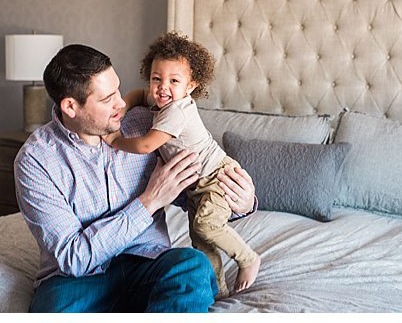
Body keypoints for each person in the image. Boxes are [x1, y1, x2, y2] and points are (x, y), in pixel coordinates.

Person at [16, 43, 258, 312]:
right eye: (107, 99)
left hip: (148, 263)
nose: (121, 103)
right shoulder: (36, 160)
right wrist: (149, 202)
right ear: (70, 107)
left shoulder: (148, 125)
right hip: (79, 280)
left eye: (118, 90)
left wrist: (243, 203)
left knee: (193, 267)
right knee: (52, 310)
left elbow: (194, 192)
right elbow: (74, 258)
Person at [107, 32, 260, 295]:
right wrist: (124, 106)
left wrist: (114, 140)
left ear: (191, 86)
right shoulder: (162, 100)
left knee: (205, 226)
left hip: (216, 177)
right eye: (156, 78)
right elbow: (140, 94)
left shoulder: (177, 111)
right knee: (200, 241)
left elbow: (146, 145)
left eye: (174, 81)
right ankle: (218, 290)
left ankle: (248, 258)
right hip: (196, 184)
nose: (162, 87)